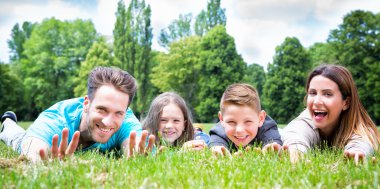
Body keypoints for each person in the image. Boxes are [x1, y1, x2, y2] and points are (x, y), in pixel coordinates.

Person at [0, 66, 155, 162]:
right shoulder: (55, 122)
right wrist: (48, 167)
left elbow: (135, 150)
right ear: (86, 103)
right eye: (102, 109)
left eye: (118, 113)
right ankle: (7, 122)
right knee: (16, 138)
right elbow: (33, 156)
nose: (108, 121)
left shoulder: (126, 120)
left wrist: (135, 156)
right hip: (28, 135)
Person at [282, 64, 380, 164]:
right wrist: (296, 150)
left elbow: (362, 141)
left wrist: (356, 152)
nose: (317, 101)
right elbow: (296, 133)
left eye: (327, 94)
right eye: (312, 93)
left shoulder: (359, 128)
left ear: (346, 103)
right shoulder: (306, 121)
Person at [209, 83, 282, 157]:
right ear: (221, 119)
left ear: (261, 118)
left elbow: (273, 144)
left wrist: (271, 148)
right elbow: (216, 145)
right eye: (231, 122)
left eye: (248, 121)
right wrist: (218, 150)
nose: (239, 130)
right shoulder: (218, 132)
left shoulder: (268, 128)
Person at [142, 92, 209, 152]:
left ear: (184, 124)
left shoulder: (196, 136)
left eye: (176, 120)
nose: (169, 126)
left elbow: (211, 144)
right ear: (152, 121)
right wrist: (181, 154)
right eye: (163, 120)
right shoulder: (144, 140)